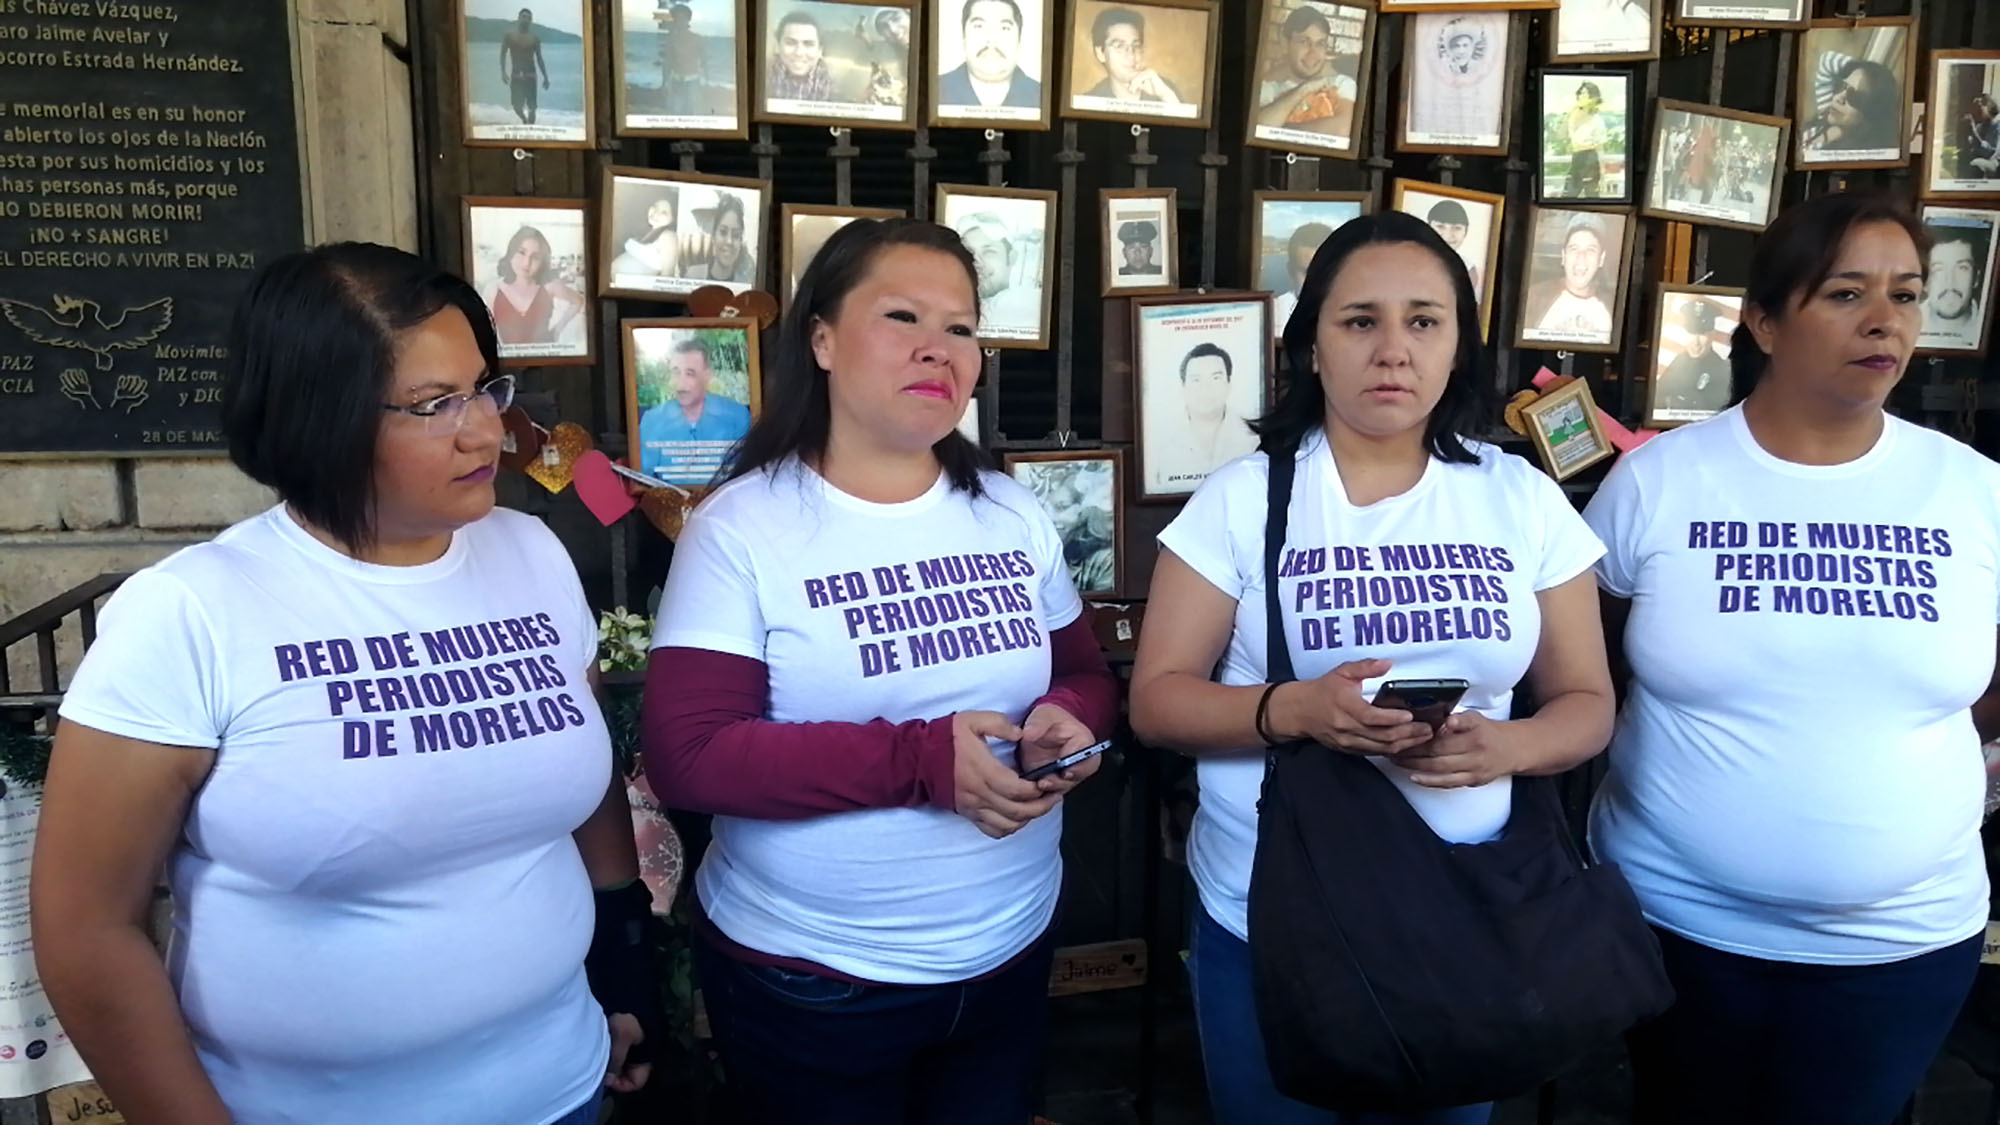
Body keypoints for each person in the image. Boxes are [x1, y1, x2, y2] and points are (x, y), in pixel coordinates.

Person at [30, 243, 658, 1125]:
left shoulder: (533, 554)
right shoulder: (191, 612)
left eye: (483, 387)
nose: (484, 430)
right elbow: (86, 928)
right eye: (434, 404)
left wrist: (623, 963)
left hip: (561, 1084)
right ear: (314, 415)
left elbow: (581, 779)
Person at [1128, 210, 1615, 1124]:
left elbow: (1588, 704)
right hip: (1280, 919)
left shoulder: (1520, 496)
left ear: (1458, 344)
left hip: (1466, 916)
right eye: (1361, 321)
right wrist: (1296, 710)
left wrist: (1505, 747)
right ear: (1311, 344)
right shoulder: (1246, 497)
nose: (1394, 348)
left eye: (1424, 320)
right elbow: (1156, 703)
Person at [640, 217, 1119, 1124]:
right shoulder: (742, 527)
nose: (937, 349)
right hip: (819, 983)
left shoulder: (1010, 513)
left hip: (1007, 953)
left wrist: (1070, 718)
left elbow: (1088, 674)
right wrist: (922, 760)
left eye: (963, 328)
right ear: (821, 339)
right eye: (902, 316)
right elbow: (690, 756)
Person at [1584, 191, 2000, 1123]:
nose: (1884, 319)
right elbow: (1589, 668)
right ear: (1764, 321)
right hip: (1676, 927)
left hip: (1900, 945)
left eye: (1906, 292)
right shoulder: (1659, 480)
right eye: (1846, 293)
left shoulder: (1975, 493)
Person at [637, 336, 753, 484]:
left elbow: (743, 479)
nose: (680, 382)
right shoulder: (652, 420)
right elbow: (643, 483)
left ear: (707, 375)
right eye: (675, 372)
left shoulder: (738, 416)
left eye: (689, 373)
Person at [1253, 6, 1355, 139]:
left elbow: (1343, 129)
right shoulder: (1268, 88)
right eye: (1304, 42)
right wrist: (1304, 89)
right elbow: (1257, 129)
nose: (1313, 53)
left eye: (1320, 43)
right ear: (1285, 44)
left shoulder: (1341, 84)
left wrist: (1279, 129)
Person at [481, 225, 586, 348]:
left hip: (544, 359)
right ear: (511, 253)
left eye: (535, 257)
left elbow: (578, 301)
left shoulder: (550, 287)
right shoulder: (493, 290)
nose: (527, 263)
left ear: (542, 262)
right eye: (521, 252)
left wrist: (557, 330)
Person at [1522, 212, 1615, 343]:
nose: (1581, 258)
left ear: (1601, 259)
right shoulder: (1534, 296)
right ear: (1564, 256)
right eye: (1574, 249)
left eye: (1591, 250)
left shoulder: (1613, 307)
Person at [938, 0, 1042, 110]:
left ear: (1019, 40)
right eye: (979, 26)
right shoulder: (937, 90)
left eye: (1004, 28)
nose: (991, 39)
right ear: (963, 37)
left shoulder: (1041, 98)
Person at [955, 210, 1044, 336]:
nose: (976, 261)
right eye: (968, 252)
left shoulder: (1029, 305)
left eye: (989, 252)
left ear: (1012, 258)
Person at [1802, 57, 1904, 157]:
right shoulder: (1826, 118)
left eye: (1854, 95)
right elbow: (1826, 60)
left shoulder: (1853, 155)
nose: (1838, 98)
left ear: (1871, 112)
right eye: (1842, 85)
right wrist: (1862, 67)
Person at [1083, 7, 1185, 106]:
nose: (1131, 54)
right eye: (1119, 46)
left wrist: (1166, 96)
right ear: (1101, 53)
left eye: (1135, 46)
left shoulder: (1165, 90)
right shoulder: (1089, 101)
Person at [1653, 299, 1731, 417]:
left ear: (1712, 335)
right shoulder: (1678, 362)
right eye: (1691, 334)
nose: (1696, 342)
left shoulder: (1723, 370)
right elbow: (1657, 402)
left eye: (1702, 334)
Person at [1922, 221, 1989, 350]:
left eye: (1962, 268)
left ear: (1976, 278)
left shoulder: (1991, 334)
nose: (1950, 282)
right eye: (1938, 270)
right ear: (1924, 281)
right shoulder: (1901, 326)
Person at [1272, 221, 1333, 329]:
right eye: (1306, 273)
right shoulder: (1272, 315)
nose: (1315, 282)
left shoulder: (1359, 316)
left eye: (1323, 272)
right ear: (1290, 271)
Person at [687, 192, 756, 286]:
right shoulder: (693, 275)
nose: (729, 241)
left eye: (736, 235)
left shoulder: (746, 279)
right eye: (723, 232)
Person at [609, 195, 682, 282]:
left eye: (664, 212)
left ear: (673, 219)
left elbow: (667, 276)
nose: (656, 213)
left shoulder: (669, 236)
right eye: (655, 207)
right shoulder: (646, 234)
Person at [767, 10, 831, 102]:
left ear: (820, 51)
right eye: (790, 43)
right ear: (777, 46)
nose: (799, 53)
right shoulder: (759, 82)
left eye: (808, 44)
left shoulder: (837, 90)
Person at [500, 8, 549, 126]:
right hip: (516, 75)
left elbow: (539, 58)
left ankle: (531, 130)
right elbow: (502, 54)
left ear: (531, 21)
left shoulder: (534, 38)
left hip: (531, 75)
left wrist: (546, 77)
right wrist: (503, 72)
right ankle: (524, 120)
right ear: (518, 18)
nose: (525, 19)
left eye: (528, 18)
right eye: (523, 16)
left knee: (532, 107)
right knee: (516, 106)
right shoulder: (509, 36)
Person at [1424, 200, 1483, 295]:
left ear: (1466, 232)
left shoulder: (1468, 268)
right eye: (1440, 226)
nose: (1448, 235)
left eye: (1457, 228)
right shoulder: (1414, 261)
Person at [659, 3, 707, 115]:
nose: (679, 21)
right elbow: (667, 63)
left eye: (682, 18)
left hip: (693, 82)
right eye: (676, 18)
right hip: (676, 82)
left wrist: (707, 81)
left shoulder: (697, 38)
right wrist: (664, 83)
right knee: (675, 114)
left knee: (694, 114)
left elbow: (704, 61)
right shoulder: (671, 40)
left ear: (688, 19)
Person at [1564, 81, 1608, 199]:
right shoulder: (1573, 116)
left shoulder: (1597, 121)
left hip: (1590, 159)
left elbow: (1600, 148)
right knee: (1568, 195)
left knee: (1592, 196)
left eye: (1585, 93)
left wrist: (1603, 174)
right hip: (1576, 158)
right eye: (1580, 93)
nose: (1580, 96)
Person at [1956, 94, 1999, 179]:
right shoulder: (1981, 126)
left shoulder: (1997, 125)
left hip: (1994, 162)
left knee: (1976, 163)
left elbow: (1991, 152)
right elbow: (1974, 148)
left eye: (1980, 107)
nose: (1977, 110)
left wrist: (1974, 131)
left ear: (1988, 106)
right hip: (1982, 158)